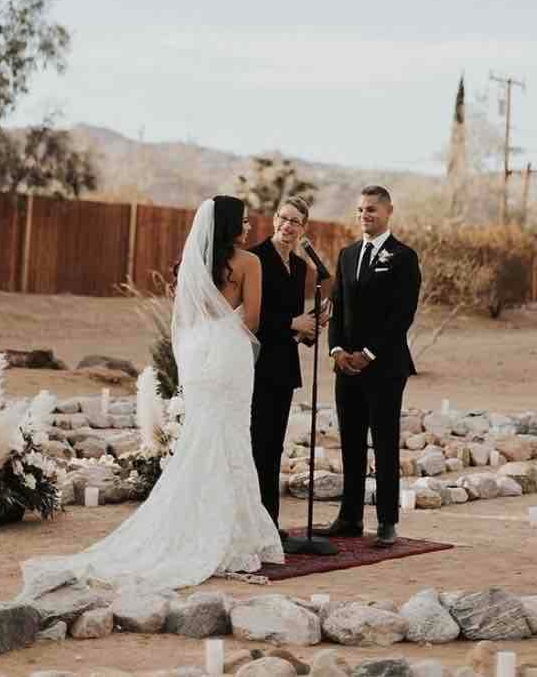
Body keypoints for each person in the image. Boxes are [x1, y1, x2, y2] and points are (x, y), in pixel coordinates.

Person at [21, 196, 284, 592]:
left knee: (202, 436)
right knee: (231, 436)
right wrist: (229, 327)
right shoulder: (250, 263)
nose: (248, 229)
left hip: (199, 355)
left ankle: (195, 523)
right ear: (230, 225)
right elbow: (253, 318)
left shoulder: (197, 264)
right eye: (244, 223)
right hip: (229, 353)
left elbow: (189, 317)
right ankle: (233, 534)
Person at [315, 185, 420, 547]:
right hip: (347, 367)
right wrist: (337, 351)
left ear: (389, 211)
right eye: (361, 210)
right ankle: (350, 517)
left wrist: (369, 353)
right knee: (351, 443)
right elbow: (338, 308)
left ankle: (387, 522)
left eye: (372, 209)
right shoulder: (346, 255)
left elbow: (402, 314)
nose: (365, 216)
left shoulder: (404, 257)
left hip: (385, 367)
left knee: (385, 444)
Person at [249, 196, 326, 539]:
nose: (288, 226)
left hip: (283, 367)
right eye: (284, 218)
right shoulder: (255, 259)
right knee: (254, 444)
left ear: (303, 228)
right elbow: (250, 318)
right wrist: (292, 322)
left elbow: (296, 328)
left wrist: (311, 326)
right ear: (274, 219)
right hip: (254, 364)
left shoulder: (299, 268)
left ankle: (270, 524)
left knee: (273, 447)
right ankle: (251, 523)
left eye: (296, 221)